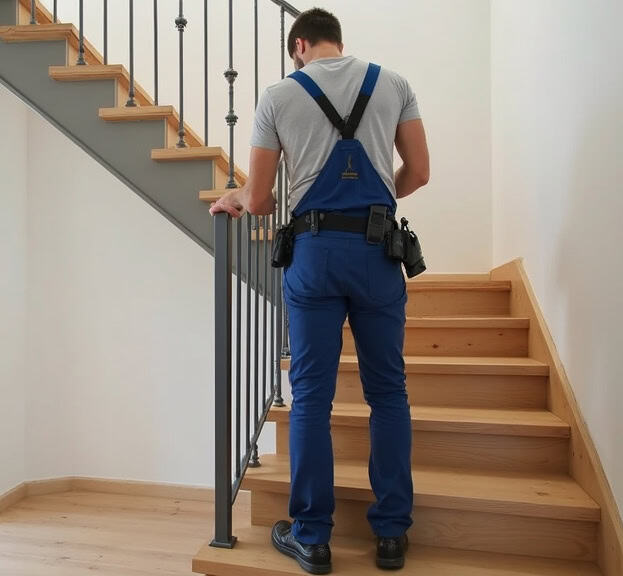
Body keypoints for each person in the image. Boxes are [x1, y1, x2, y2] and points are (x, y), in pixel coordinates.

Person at [209, 7, 429, 573]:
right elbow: (419, 171)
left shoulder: (278, 96)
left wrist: (235, 196)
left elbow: (258, 200)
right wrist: (377, 207)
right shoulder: (393, 83)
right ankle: (391, 536)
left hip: (313, 255)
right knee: (388, 393)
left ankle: (311, 537)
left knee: (310, 398)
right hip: (378, 254)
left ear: (299, 45)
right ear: (337, 40)